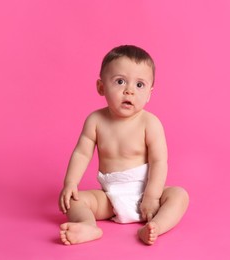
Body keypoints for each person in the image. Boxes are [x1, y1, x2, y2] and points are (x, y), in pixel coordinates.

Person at [58, 45, 189, 245]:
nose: (129, 90)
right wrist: (70, 183)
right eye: (120, 81)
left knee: (179, 195)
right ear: (101, 87)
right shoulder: (95, 120)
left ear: (149, 94)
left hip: (146, 192)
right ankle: (88, 226)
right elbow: (82, 154)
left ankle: (156, 227)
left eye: (139, 85)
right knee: (73, 202)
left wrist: (152, 197)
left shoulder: (150, 123)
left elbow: (159, 161)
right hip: (110, 197)